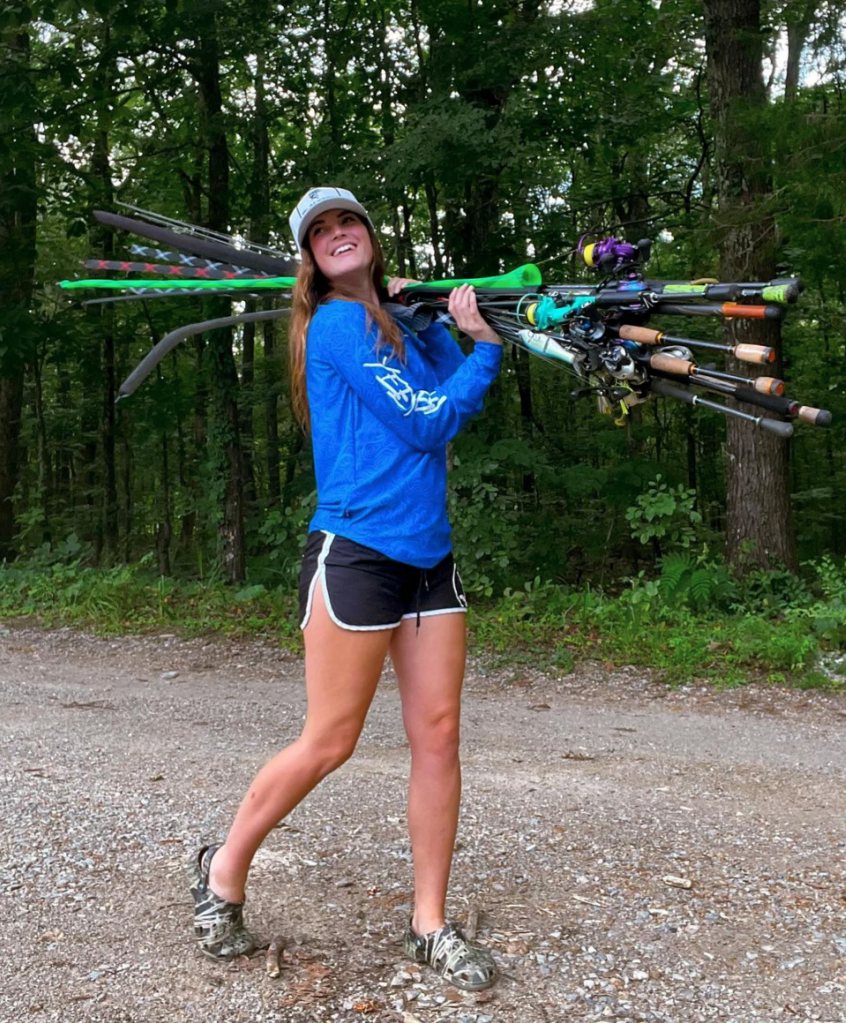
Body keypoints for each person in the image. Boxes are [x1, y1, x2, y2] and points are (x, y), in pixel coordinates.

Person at [187, 186, 503, 991]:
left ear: (368, 233)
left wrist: (434, 323)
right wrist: (485, 350)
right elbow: (430, 419)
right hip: (357, 553)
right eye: (319, 230)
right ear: (310, 258)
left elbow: (444, 382)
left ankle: (428, 924)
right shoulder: (334, 326)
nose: (336, 233)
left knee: (439, 736)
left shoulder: (395, 321)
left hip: (428, 556)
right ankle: (221, 869)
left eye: (347, 220)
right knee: (330, 739)